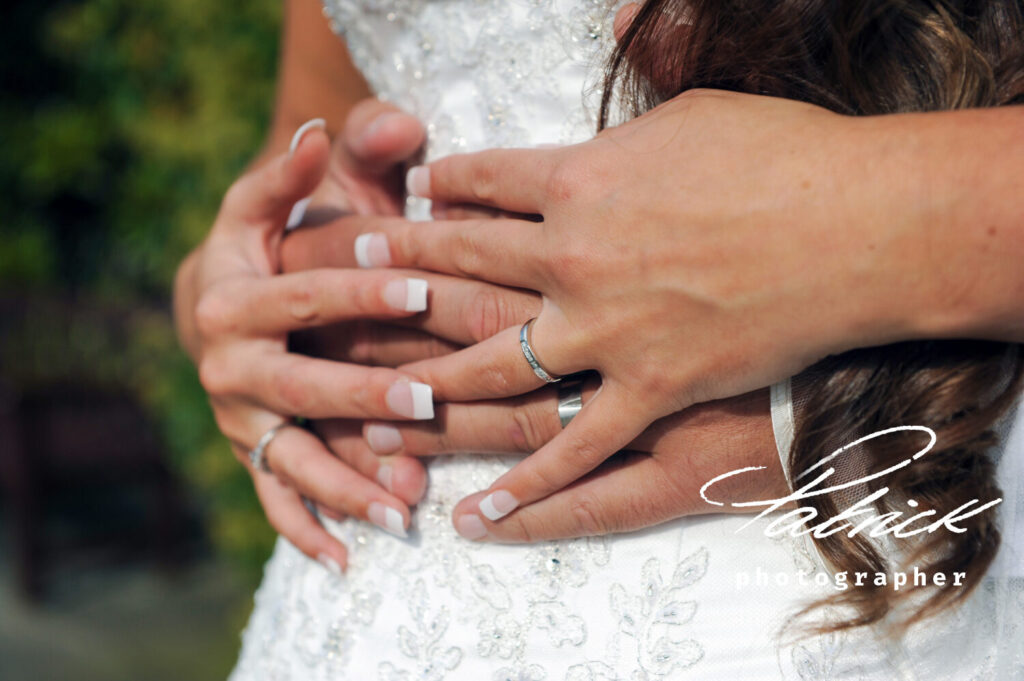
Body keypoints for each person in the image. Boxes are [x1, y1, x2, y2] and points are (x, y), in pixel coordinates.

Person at [173, 0, 1024, 677]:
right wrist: (241, 289)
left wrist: (851, 222)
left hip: (844, 574)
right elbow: (312, 127)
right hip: (360, 607)